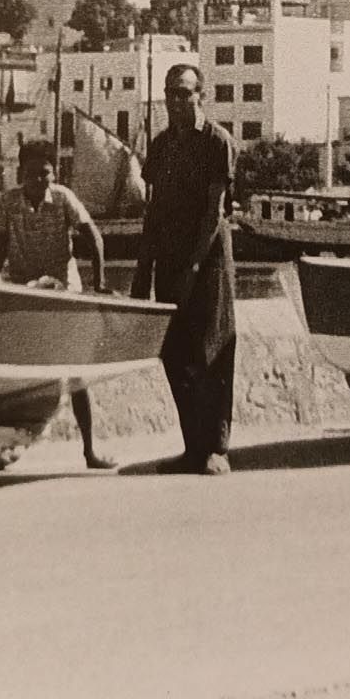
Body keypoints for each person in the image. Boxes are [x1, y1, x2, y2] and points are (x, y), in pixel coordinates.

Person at [0, 140, 117, 471]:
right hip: (24, 292)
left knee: (78, 375)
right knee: (17, 375)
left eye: (46, 174)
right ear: (20, 175)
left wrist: (99, 283)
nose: (40, 181)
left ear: (53, 174)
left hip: (63, 291)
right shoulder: (8, 202)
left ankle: (90, 451)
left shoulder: (64, 198)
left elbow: (93, 236)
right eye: (32, 175)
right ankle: (10, 447)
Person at [132, 63, 240, 476]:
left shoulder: (218, 142)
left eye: (184, 93)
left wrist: (195, 266)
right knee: (174, 354)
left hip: (208, 261)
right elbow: (154, 212)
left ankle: (216, 447)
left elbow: (214, 213)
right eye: (170, 94)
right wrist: (144, 272)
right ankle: (191, 446)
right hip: (170, 259)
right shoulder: (160, 147)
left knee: (211, 352)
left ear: (201, 95)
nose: (176, 101)